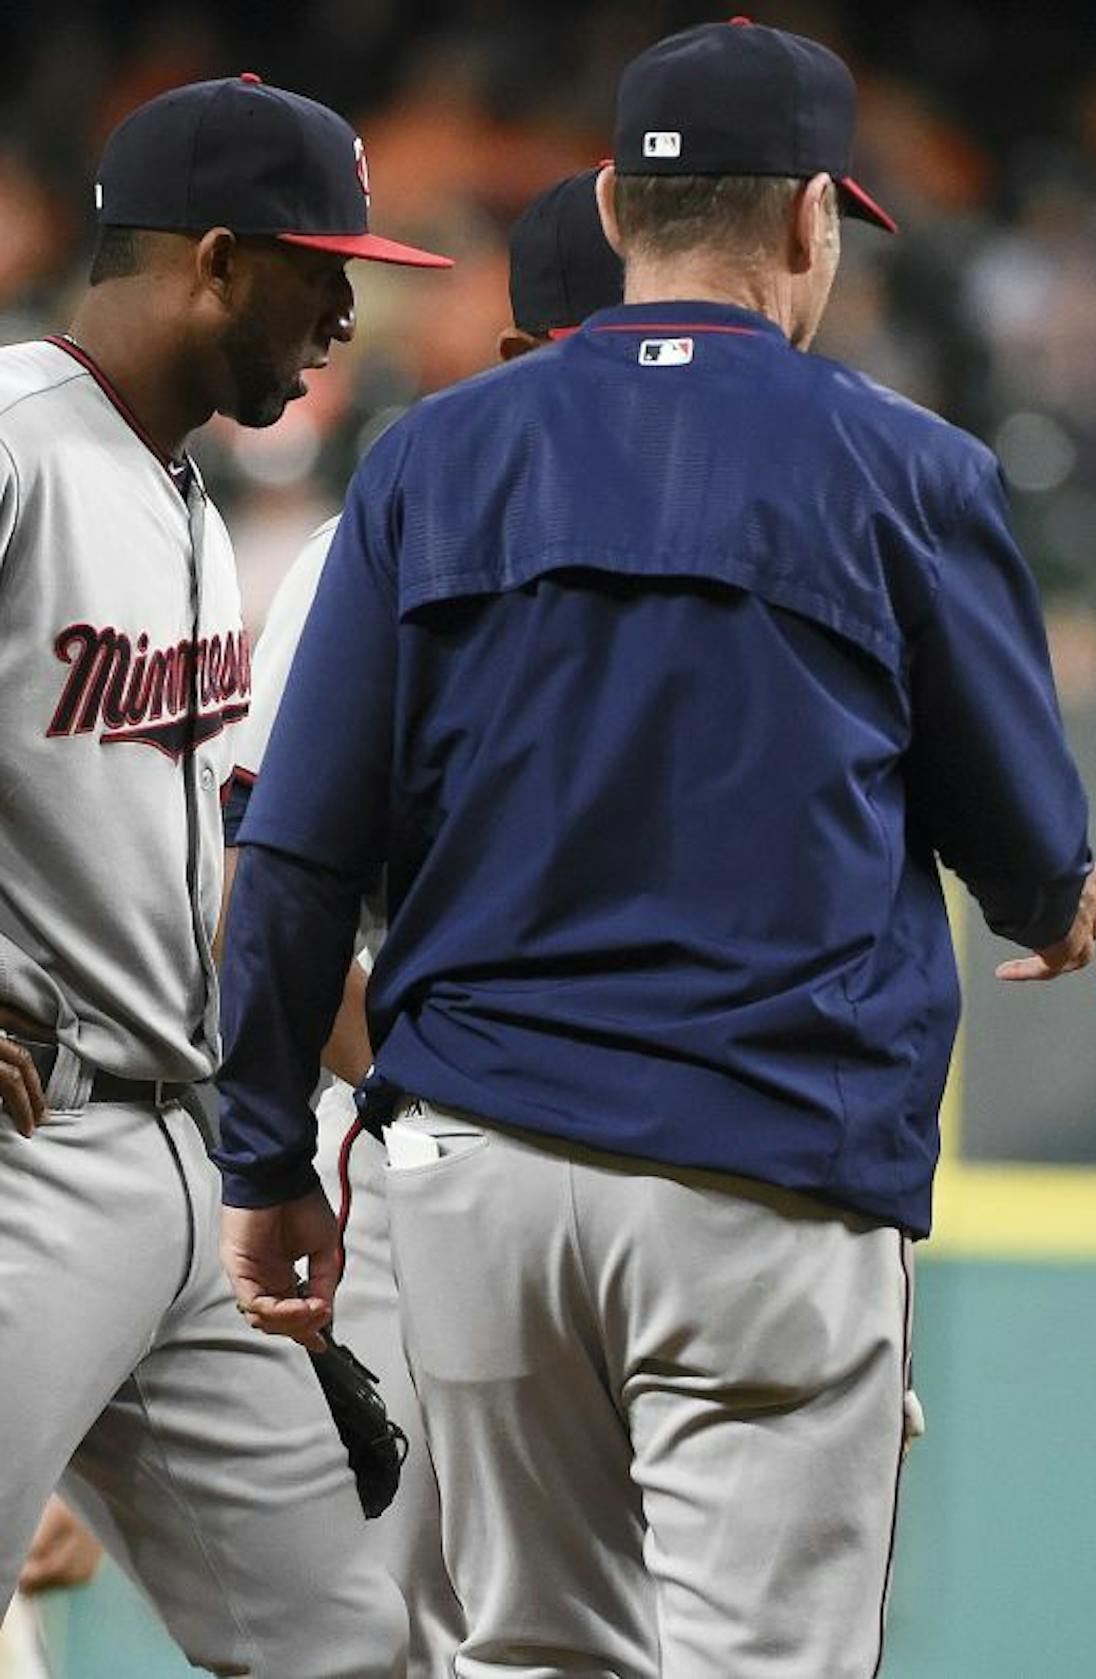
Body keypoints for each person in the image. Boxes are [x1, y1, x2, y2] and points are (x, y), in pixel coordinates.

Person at [214, 20, 1096, 1676]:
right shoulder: (909, 468)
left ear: (618, 205)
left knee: (529, 1657)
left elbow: (294, 859)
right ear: (814, 220)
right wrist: (1062, 903)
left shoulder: (427, 461)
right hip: (762, 1164)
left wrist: (264, 1157)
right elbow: (1031, 852)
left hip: (476, 1175)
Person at [0, 73, 448, 1675]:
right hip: (28, 1143)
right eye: (319, 270)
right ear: (213, 259)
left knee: (360, 1640)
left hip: (186, 1160)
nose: (345, 315)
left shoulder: (179, 489)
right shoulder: (16, 441)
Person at [217, 163, 624, 1676]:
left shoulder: (794, 530)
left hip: (694, 1165)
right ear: (523, 360)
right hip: (436, 1148)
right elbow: (262, 883)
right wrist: (419, 1080)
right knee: (399, 1624)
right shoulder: (384, 537)